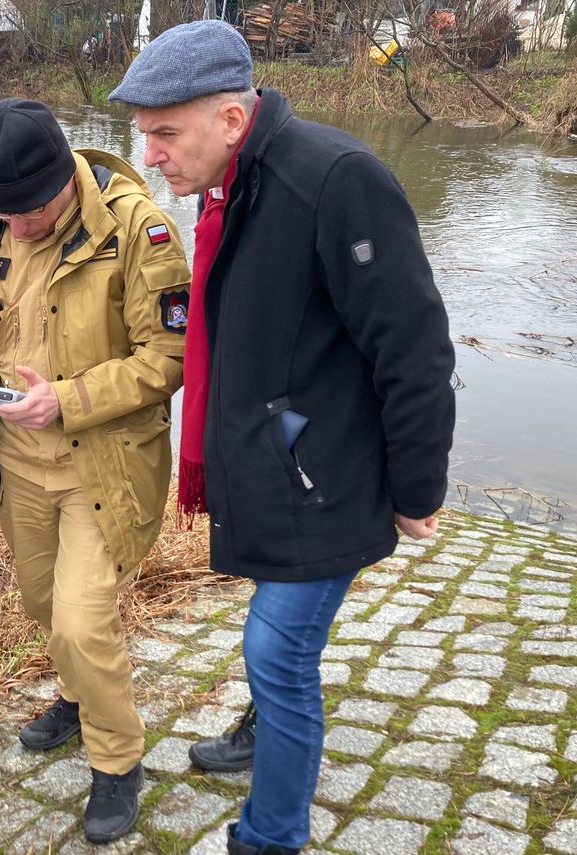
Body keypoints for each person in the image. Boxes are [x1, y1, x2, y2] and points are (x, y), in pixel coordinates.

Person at [110, 21, 456, 855]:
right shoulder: (238, 186)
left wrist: (417, 491)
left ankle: (270, 836)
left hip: (326, 475)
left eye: (165, 133)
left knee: (276, 648)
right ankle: (263, 736)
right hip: (278, 461)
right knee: (277, 644)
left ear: (232, 119)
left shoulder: (335, 181)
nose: (150, 156)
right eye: (143, 135)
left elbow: (414, 350)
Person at [0, 98, 190, 844]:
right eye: (5, 210)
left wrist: (68, 399)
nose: (17, 225)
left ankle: (117, 759)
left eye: (31, 211)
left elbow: (169, 356)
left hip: (102, 467)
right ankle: (76, 699)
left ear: (66, 179)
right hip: (17, 466)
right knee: (45, 607)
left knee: (82, 618)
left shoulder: (141, 231)